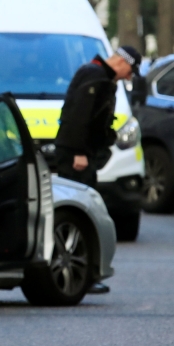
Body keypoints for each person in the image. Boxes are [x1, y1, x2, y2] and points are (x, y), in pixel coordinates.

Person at [54, 46, 140, 295]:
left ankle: (83, 273)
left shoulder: (95, 74)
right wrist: (79, 151)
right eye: (129, 71)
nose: (127, 77)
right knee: (80, 214)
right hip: (76, 156)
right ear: (122, 63)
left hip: (78, 153)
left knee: (82, 212)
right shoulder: (96, 78)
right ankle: (81, 274)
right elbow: (79, 116)